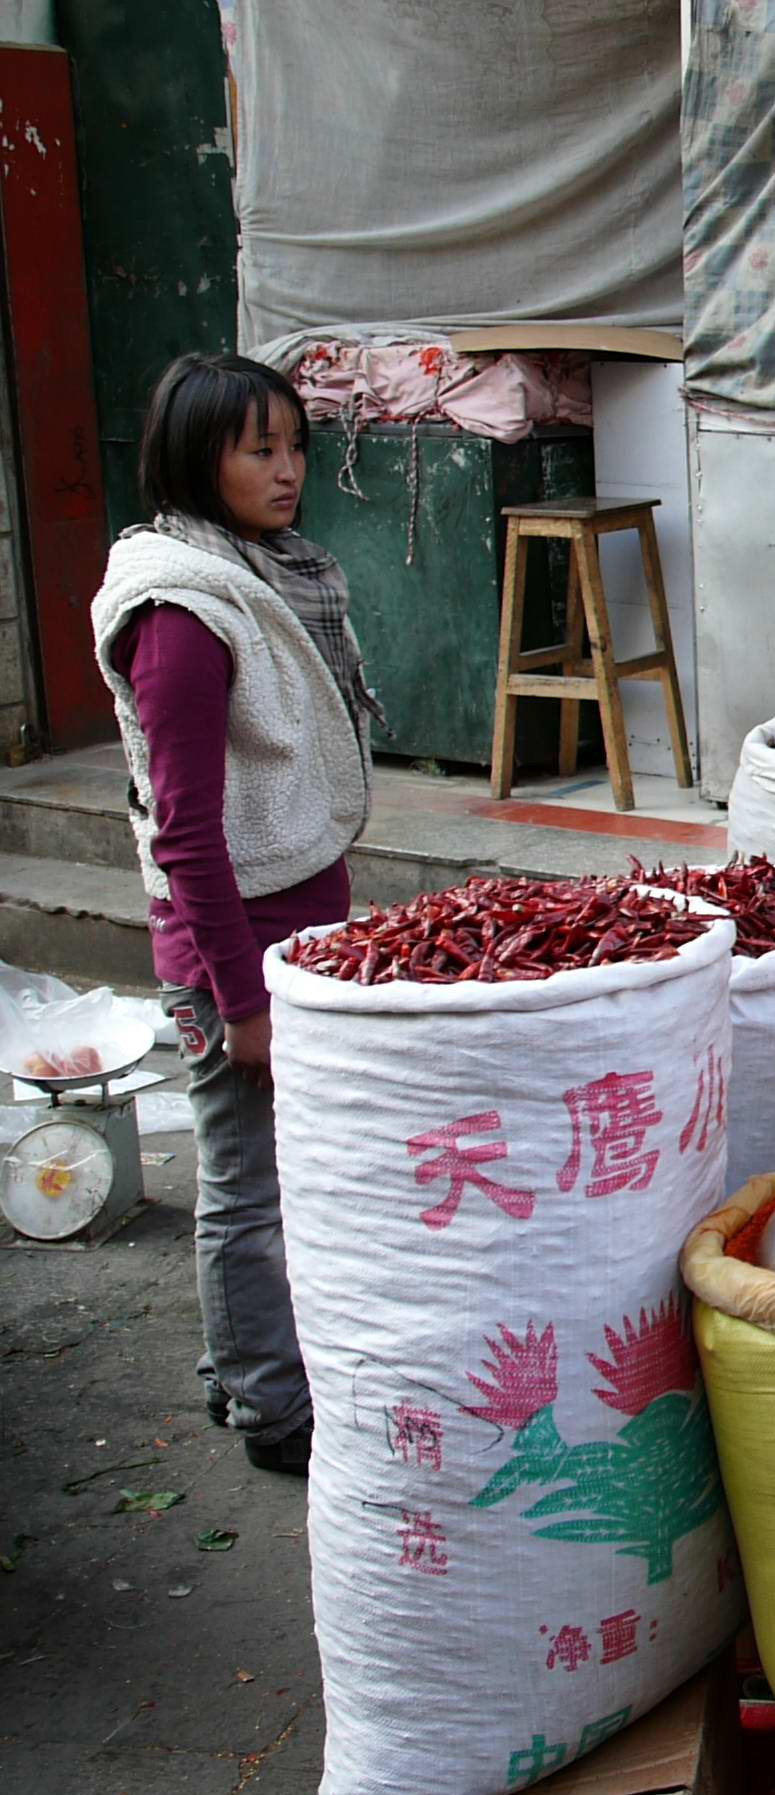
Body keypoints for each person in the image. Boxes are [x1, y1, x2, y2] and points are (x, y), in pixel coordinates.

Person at [89, 353, 379, 1477]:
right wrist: (239, 1000)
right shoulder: (183, 616)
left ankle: (243, 1360)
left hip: (291, 931)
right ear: (193, 458)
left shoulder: (267, 574)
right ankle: (268, 1407)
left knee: (276, 1174)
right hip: (234, 952)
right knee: (247, 1185)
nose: (288, 469)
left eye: (295, 445)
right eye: (259, 448)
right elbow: (187, 835)